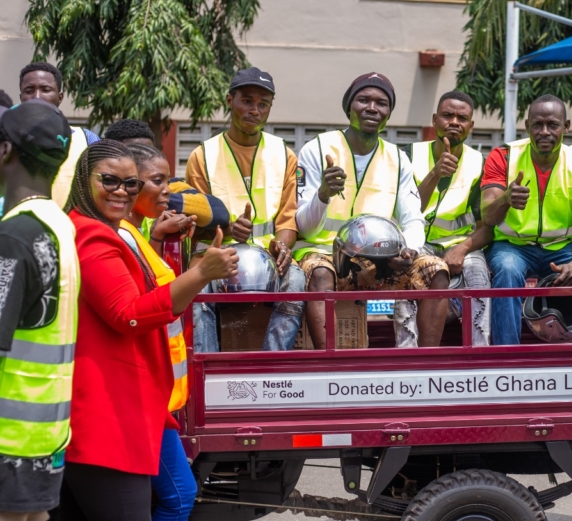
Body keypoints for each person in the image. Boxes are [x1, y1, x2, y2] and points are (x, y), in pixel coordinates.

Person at [59, 140, 237, 521]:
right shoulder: (93, 235)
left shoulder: (110, 229)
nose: (122, 191)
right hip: (109, 415)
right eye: (110, 181)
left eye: (129, 183)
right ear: (84, 180)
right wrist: (201, 274)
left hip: (118, 411)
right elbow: (127, 313)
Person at [295, 73, 449, 348]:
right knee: (319, 274)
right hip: (324, 254)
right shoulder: (316, 148)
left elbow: (413, 217)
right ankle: (328, 364)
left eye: (381, 103)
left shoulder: (397, 158)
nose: (372, 108)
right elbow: (305, 227)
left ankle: (428, 364)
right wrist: (323, 194)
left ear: (388, 113)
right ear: (348, 107)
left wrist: (409, 249)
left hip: (379, 258)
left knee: (436, 269)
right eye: (363, 100)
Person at [0, 101, 79, 521]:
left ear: (6, 150)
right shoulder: (58, 227)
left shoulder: (15, 235)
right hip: (43, 443)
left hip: (6, 444)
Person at [119, 142, 199, 521]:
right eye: (157, 181)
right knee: (177, 494)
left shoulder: (136, 234)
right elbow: (139, 307)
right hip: (144, 398)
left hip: (157, 398)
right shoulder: (126, 238)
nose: (168, 190)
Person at [185, 67, 306, 353]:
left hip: (267, 255)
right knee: (195, 289)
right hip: (214, 255)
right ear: (230, 100)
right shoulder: (202, 155)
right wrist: (227, 230)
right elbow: (193, 219)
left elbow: (287, 219)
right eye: (247, 101)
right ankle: (208, 368)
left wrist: (282, 246)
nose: (255, 110)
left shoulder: (284, 154)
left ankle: (271, 363)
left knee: (297, 279)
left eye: (263, 104)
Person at [482, 94, 572, 345]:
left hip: (561, 247)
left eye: (553, 125)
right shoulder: (503, 157)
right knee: (506, 269)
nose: (544, 132)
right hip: (513, 246)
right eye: (537, 125)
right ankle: (506, 356)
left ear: (566, 127)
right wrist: (505, 199)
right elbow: (487, 216)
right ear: (526, 126)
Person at [403, 91, 492, 346]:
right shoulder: (408, 155)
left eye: (462, 117)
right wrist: (434, 173)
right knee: (407, 277)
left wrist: (462, 249)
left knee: (478, 279)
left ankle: (479, 355)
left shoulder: (479, 162)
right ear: (434, 120)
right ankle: (406, 353)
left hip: (461, 244)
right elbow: (405, 211)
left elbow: (487, 227)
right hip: (417, 243)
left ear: (471, 126)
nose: (454, 122)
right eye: (447, 115)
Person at [105, 119, 230, 241]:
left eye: (149, 151)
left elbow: (218, 212)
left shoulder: (169, 185)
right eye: (135, 155)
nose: (145, 158)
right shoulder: (107, 215)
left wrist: (156, 200)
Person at [18, 62, 100, 208]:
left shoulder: (87, 139)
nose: (37, 97)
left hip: (73, 229)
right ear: (21, 97)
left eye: (46, 90)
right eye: (29, 90)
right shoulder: (8, 140)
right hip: (16, 228)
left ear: (60, 97)